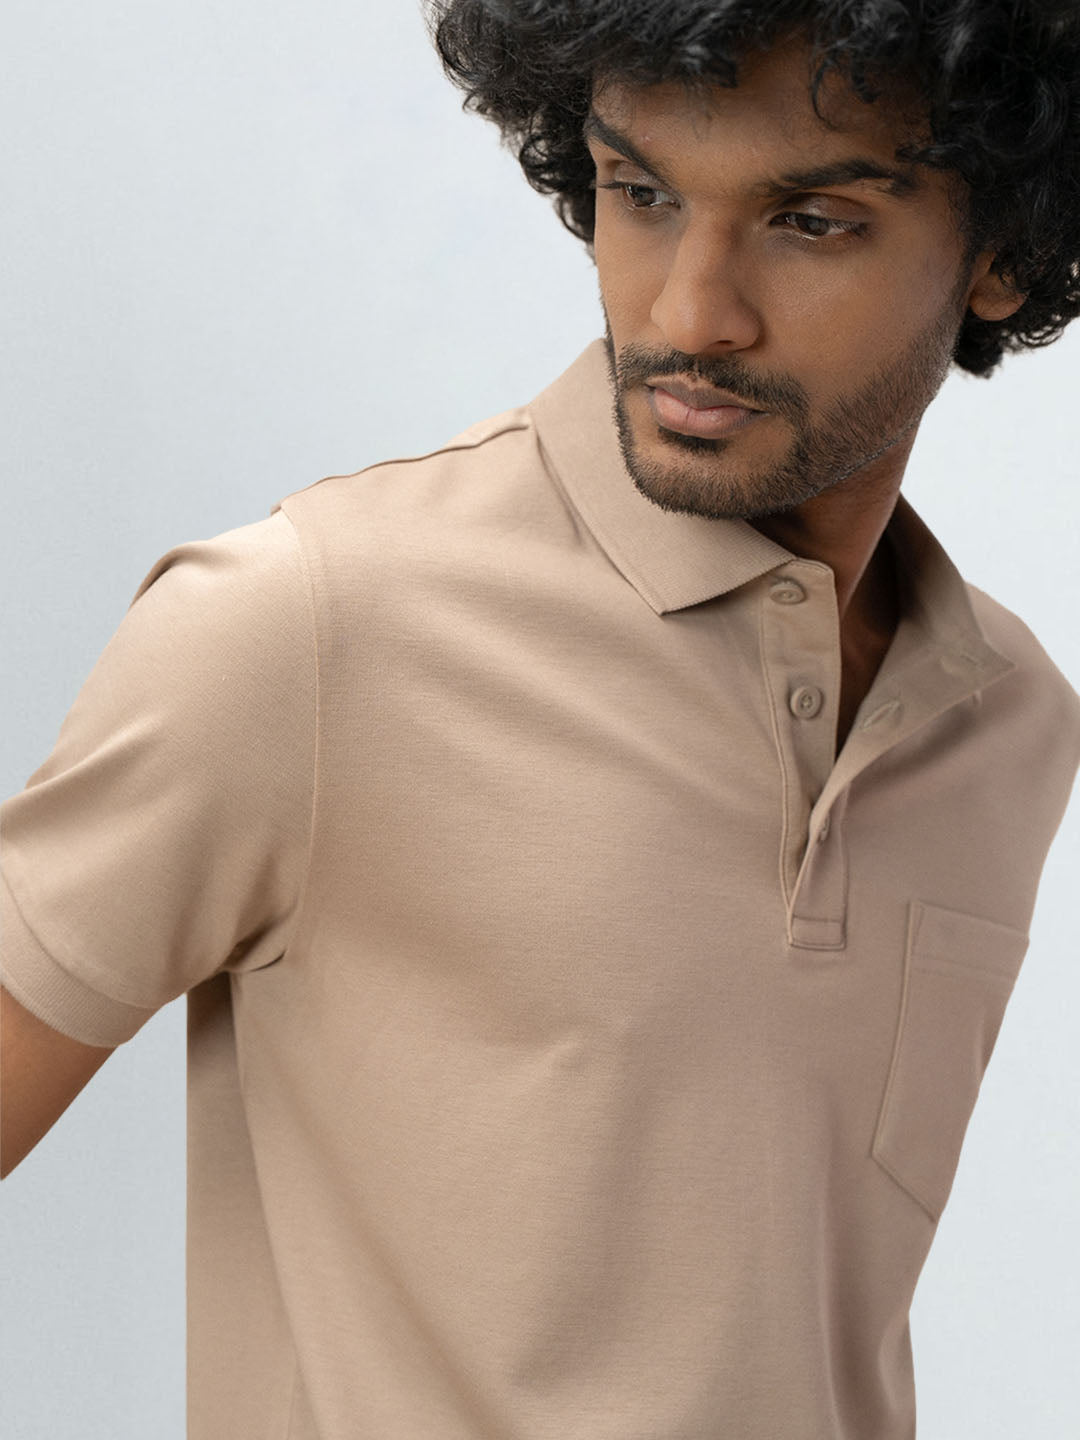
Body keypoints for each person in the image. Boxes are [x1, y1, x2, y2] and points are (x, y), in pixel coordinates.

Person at [2, 0, 1079, 1435]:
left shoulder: (1006, 721)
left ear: (1003, 251)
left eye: (811, 221)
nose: (688, 315)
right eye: (642, 193)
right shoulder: (305, 629)